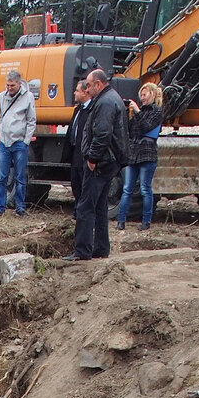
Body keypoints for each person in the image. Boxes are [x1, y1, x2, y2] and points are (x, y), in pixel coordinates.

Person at [66, 68, 127, 261]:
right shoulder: (110, 98)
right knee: (100, 206)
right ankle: (101, 247)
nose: (87, 89)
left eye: (90, 85)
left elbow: (102, 134)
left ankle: (82, 250)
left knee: (85, 206)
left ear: (98, 84)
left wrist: (92, 158)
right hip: (109, 161)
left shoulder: (105, 102)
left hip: (101, 163)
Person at [117, 83, 164, 231]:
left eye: (145, 94)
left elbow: (146, 126)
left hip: (147, 153)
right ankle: (121, 220)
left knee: (145, 188)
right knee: (127, 189)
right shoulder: (139, 112)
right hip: (134, 153)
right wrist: (126, 112)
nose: (142, 98)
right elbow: (130, 129)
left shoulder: (157, 112)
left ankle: (146, 221)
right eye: (141, 95)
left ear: (153, 95)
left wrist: (137, 111)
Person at [0, 69, 36, 216]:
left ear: (19, 84)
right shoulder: (2, 96)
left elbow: (31, 120)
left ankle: (20, 207)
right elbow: (0, 114)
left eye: (12, 85)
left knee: (20, 177)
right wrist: (0, 133)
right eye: (7, 85)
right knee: (2, 176)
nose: (9, 88)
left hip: (19, 142)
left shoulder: (28, 97)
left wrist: (25, 141)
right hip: (4, 142)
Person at [64, 80, 92, 219]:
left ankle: (82, 212)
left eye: (77, 90)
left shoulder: (92, 110)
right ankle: (77, 209)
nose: (74, 93)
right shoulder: (78, 109)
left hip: (85, 153)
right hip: (75, 151)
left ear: (85, 92)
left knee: (84, 182)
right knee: (75, 182)